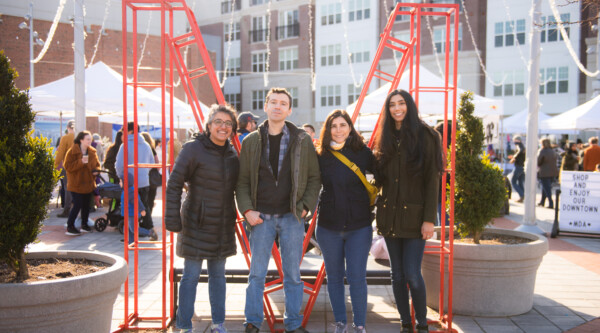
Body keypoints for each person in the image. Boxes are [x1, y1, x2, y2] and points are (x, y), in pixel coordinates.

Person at [236, 87, 321, 333]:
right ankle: (252, 322)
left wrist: (305, 206)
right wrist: (247, 211)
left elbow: (315, 177)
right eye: (273, 102)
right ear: (265, 106)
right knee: (257, 274)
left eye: (283, 103)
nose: (277, 106)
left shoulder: (302, 139)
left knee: (293, 274)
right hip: (261, 217)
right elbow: (241, 182)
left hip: (292, 216)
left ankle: (293, 324)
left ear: (289, 109)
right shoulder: (251, 141)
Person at [373, 89, 443, 333]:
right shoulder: (385, 136)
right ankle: (405, 323)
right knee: (397, 275)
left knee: (413, 274)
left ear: (409, 106)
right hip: (390, 215)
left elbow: (432, 182)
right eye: (392, 104)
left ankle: (422, 324)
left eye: (401, 103)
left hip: (414, 218)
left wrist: (428, 220)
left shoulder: (427, 136)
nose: (397, 108)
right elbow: (380, 177)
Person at [166, 104, 240, 333]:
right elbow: (174, 183)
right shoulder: (193, 148)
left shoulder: (231, 153)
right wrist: (173, 219)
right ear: (209, 125)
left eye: (228, 123)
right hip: (196, 223)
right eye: (218, 121)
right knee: (190, 276)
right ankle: (184, 326)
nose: (223, 127)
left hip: (222, 225)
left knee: (218, 276)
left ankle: (218, 323)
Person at [315, 110, 375, 333]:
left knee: (357, 277)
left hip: (359, 226)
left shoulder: (362, 152)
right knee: (334, 277)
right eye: (334, 126)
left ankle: (360, 325)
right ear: (328, 129)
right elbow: (311, 183)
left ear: (350, 128)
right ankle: (340, 322)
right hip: (328, 226)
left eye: (343, 125)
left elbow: (383, 174)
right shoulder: (320, 154)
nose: (338, 130)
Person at [116, 122, 158, 241]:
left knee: (130, 209)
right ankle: (148, 229)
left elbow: (119, 165)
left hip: (129, 182)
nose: (122, 133)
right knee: (144, 206)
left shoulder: (124, 146)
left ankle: (133, 235)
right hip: (144, 181)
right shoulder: (146, 145)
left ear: (129, 131)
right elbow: (151, 163)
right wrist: (143, 173)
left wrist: (122, 177)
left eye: (124, 131)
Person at [63, 131, 101, 235]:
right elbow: (67, 167)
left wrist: (97, 170)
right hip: (76, 184)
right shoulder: (72, 151)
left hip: (88, 183)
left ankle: (84, 224)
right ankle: (70, 226)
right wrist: (80, 162)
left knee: (86, 205)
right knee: (77, 204)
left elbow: (97, 165)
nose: (90, 141)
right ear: (81, 140)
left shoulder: (92, 151)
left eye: (90, 139)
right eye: (87, 139)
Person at [122, 172, 151, 244]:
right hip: (129, 213)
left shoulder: (130, 191)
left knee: (133, 229)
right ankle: (132, 243)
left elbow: (137, 201)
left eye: (120, 181)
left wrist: (142, 210)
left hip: (132, 213)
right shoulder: (127, 190)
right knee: (130, 229)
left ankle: (149, 232)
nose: (119, 183)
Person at [55, 120, 76, 217]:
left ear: (67, 128)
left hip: (67, 167)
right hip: (79, 166)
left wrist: (55, 166)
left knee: (67, 188)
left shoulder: (65, 138)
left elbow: (60, 154)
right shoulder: (81, 137)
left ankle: (67, 210)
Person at [537, 138, 559, 209]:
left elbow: (538, 161)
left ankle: (551, 202)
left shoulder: (543, 151)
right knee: (546, 187)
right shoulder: (552, 151)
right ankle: (542, 201)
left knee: (547, 188)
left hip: (545, 171)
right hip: (553, 171)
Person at [141, 132, 159, 219]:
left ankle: (143, 218)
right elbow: (157, 163)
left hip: (142, 178)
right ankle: (148, 218)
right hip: (152, 180)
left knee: (143, 200)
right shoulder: (152, 149)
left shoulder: (139, 149)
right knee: (150, 200)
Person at [509, 135, 526, 202]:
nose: (514, 141)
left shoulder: (520, 146)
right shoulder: (522, 146)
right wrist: (514, 157)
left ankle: (522, 195)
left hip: (519, 167)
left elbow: (520, 151)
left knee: (513, 182)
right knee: (520, 182)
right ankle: (522, 196)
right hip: (522, 167)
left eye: (515, 140)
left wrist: (514, 158)